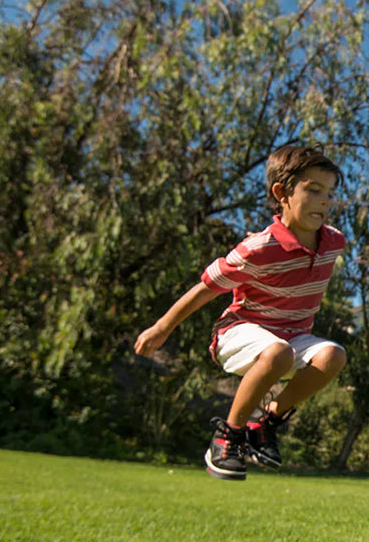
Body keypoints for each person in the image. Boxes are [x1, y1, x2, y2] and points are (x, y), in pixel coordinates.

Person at [135, 145, 348, 479]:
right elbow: (206, 287)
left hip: (292, 338)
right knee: (278, 351)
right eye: (314, 190)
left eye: (330, 194)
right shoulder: (258, 249)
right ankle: (227, 437)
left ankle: (264, 426)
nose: (325, 201)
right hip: (237, 333)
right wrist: (162, 328)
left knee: (334, 355)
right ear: (282, 193)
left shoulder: (333, 242)